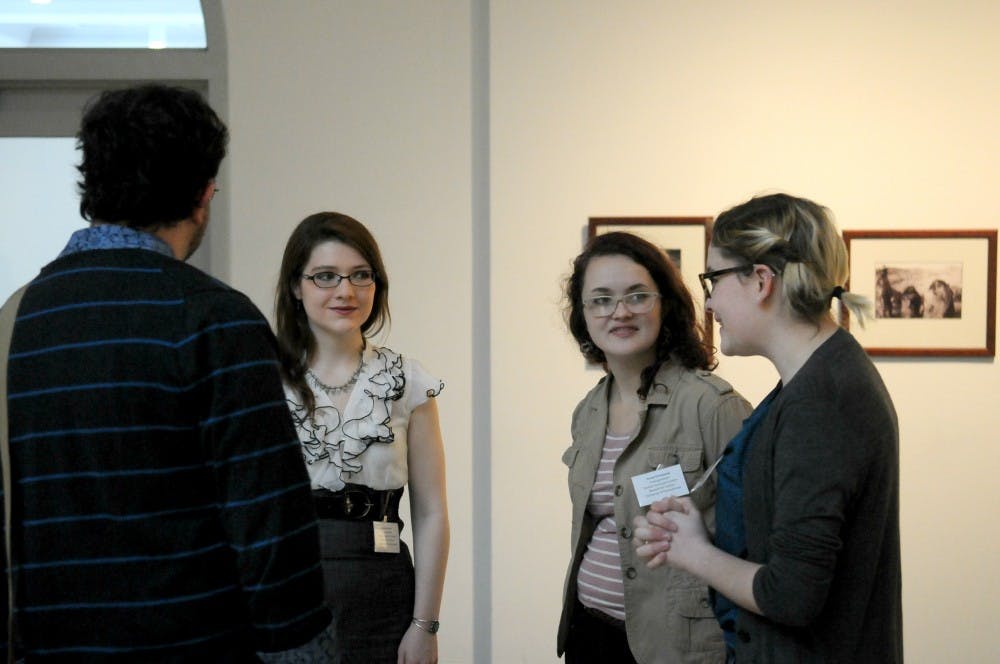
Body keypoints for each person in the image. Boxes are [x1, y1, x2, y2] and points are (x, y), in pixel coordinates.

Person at [1, 84, 334, 661]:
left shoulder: (20, 319)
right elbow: (271, 528)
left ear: (92, 184)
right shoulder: (215, 318)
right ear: (203, 194)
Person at [634, 193, 903, 663]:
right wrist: (697, 535)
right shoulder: (818, 378)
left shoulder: (823, 400)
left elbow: (791, 595)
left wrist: (692, 552)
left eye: (713, 279)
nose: (709, 302)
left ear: (761, 280)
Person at [556, 232, 751, 664]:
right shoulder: (588, 410)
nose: (620, 312)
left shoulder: (713, 406)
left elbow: (757, 542)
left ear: (665, 304)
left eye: (637, 296)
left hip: (676, 644)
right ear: (583, 315)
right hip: (588, 631)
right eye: (601, 300)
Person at [274, 212, 450, 664]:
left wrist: (425, 625)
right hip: (288, 586)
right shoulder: (265, 381)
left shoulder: (407, 381)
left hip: (382, 589)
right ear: (296, 287)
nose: (345, 291)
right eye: (325, 276)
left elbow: (431, 512)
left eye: (360, 275)